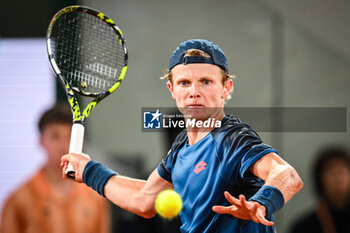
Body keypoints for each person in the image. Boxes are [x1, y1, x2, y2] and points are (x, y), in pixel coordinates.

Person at [61, 39, 303, 233]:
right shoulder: (181, 146)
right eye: (185, 83)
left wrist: (261, 202)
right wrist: (88, 171)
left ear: (225, 89)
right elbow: (144, 199)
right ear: (172, 89)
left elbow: (287, 175)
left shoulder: (231, 138)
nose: (194, 92)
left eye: (206, 82)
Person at [0, 105, 109, 233]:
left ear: (81, 141)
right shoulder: (19, 200)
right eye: (55, 136)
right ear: (41, 141)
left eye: (70, 137)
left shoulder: (95, 196)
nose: (63, 145)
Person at [290, 146, 350, 233]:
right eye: (331, 170)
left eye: (342, 170)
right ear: (320, 180)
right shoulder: (304, 227)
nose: (338, 177)